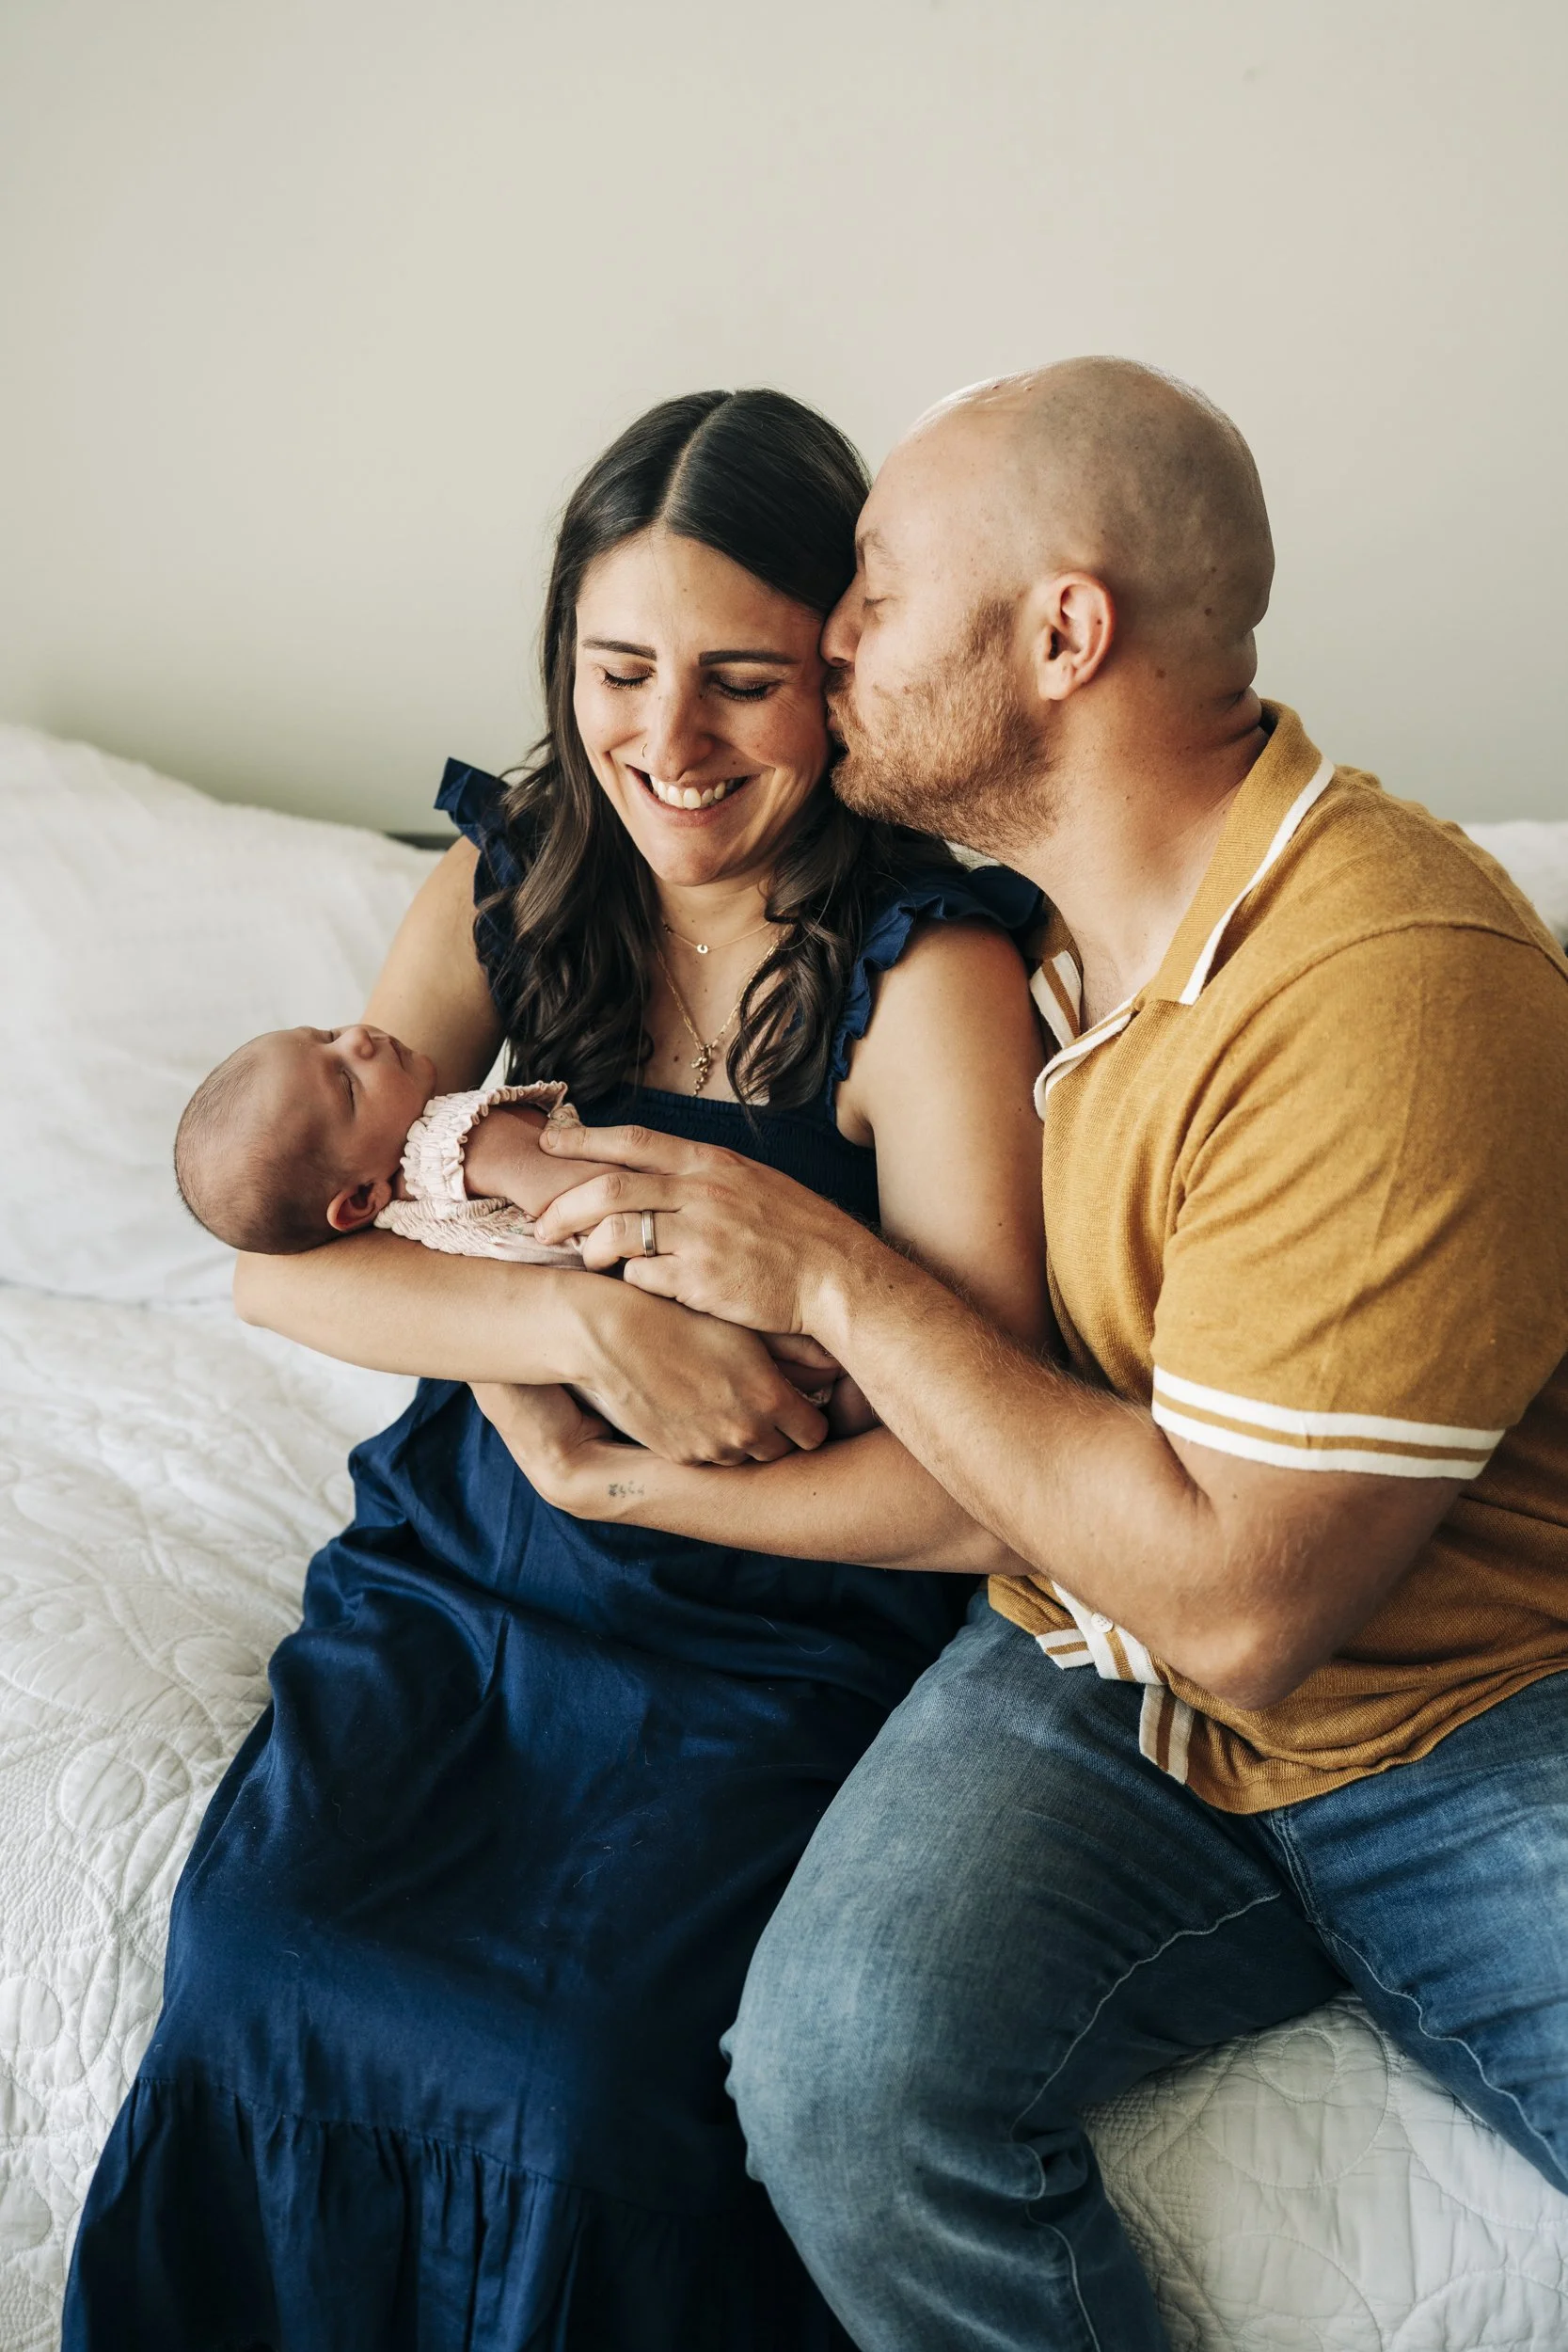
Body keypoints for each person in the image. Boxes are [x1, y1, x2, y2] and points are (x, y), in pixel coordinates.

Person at [516, 359, 1568, 2349]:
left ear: (1063, 635)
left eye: (879, 589)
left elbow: (1243, 1611)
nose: (831, 637)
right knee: (829, 2076)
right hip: (1089, 1655)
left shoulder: (1386, 984)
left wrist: (832, 1285)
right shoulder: (1025, 926)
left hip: (1455, 1707)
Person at [60, 387, 1052, 2352]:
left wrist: (642, 1479)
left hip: (767, 1629)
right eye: (616, 672)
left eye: (740, 680)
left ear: (842, 667)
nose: (667, 742)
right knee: (253, 1958)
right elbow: (288, 1261)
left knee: (578, 2076)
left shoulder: (927, 980)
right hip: (464, 1574)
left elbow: (985, 1475)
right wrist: (581, 1330)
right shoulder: (508, 880)